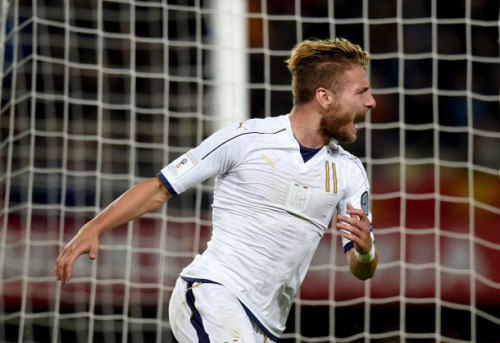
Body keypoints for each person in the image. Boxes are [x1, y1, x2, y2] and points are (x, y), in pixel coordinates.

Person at [56, 37, 378, 342]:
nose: (371, 101)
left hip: (265, 324)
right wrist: (94, 227)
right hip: (212, 292)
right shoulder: (247, 139)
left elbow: (361, 269)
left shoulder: (349, 172)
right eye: (361, 91)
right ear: (324, 97)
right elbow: (160, 187)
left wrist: (365, 251)